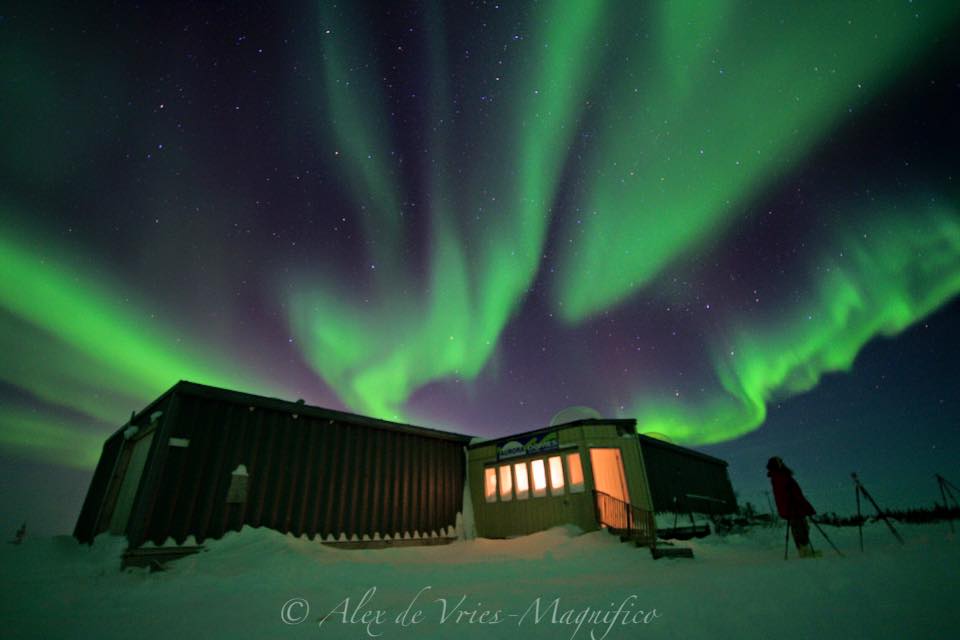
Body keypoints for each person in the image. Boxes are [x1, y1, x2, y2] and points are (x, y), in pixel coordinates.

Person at [766, 457, 818, 558]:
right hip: (793, 505)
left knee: (800, 527)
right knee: (800, 527)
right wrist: (803, 504)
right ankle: (804, 551)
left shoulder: (777, 476)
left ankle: (803, 550)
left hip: (791, 505)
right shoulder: (780, 476)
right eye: (780, 462)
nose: (782, 463)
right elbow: (789, 492)